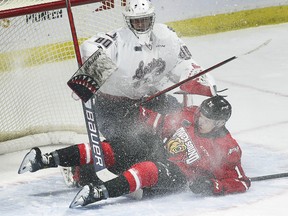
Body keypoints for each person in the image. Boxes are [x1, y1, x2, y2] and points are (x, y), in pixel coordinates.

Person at [18, 95, 251, 208]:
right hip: (157, 150)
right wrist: (137, 112)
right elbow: (161, 122)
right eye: (201, 114)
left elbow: (241, 181)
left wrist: (216, 186)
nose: (200, 119)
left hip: (178, 173)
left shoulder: (228, 148)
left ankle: (99, 192)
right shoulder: (190, 114)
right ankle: (47, 158)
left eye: (207, 119)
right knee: (114, 147)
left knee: (147, 170)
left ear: (220, 123)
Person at [78, 0, 218, 162]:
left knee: (185, 121)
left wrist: (196, 76)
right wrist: (93, 69)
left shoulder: (166, 37)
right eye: (136, 21)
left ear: (152, 18)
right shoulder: (117, 40)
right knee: (131, 151)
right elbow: (90, 47)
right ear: (128, 21)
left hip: (146, 100)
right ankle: (79, 169)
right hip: (111, 109)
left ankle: (196, 159)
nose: (141, 25)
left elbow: (183, 62)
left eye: (145, 19)